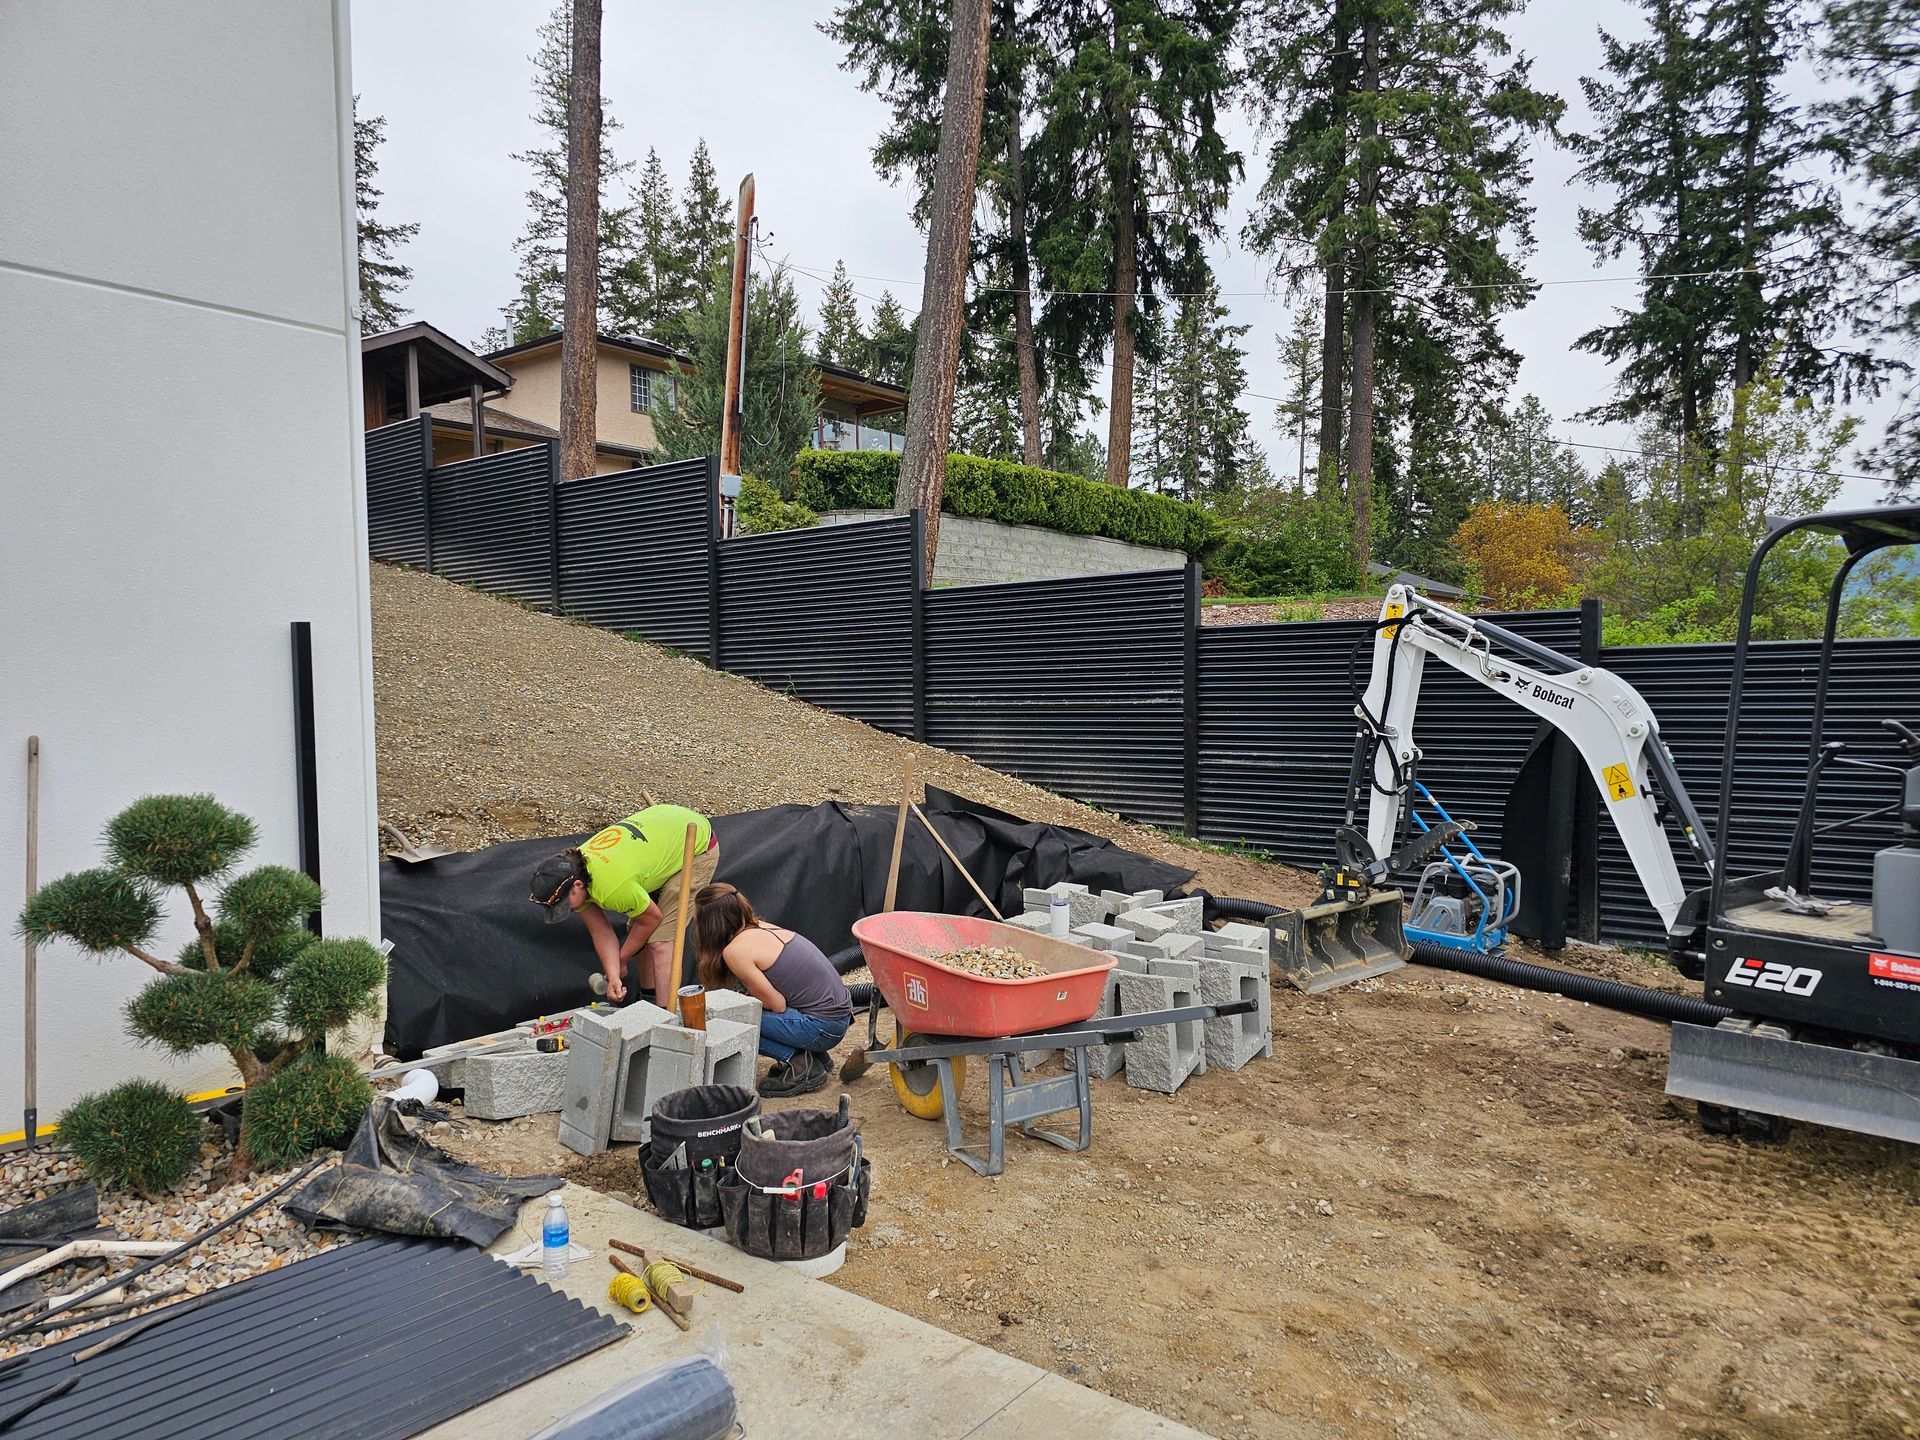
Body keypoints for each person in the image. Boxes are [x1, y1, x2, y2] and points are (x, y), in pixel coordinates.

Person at [529, 804, 719, 1004]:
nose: (570, 909)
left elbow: (652, 919)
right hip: (660, 834)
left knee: (661, 942)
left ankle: (666, 1015)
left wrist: (622, 958)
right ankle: (648, 1000)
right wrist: (613, 975)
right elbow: (600, 932)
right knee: (638, 935)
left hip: (695, 843)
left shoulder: (611, 887)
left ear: (577, 885)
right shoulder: (575, 873)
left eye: (566, 904)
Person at [692, 882, 852, 1098]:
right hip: (835, 1019)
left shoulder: (735, 951)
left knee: (733, 1021)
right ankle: (816, 1056)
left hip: (823, 1027)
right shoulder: (761, 927)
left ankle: (799, 1062)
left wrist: (747, 1000)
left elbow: (777, 1004)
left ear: (709, 924)